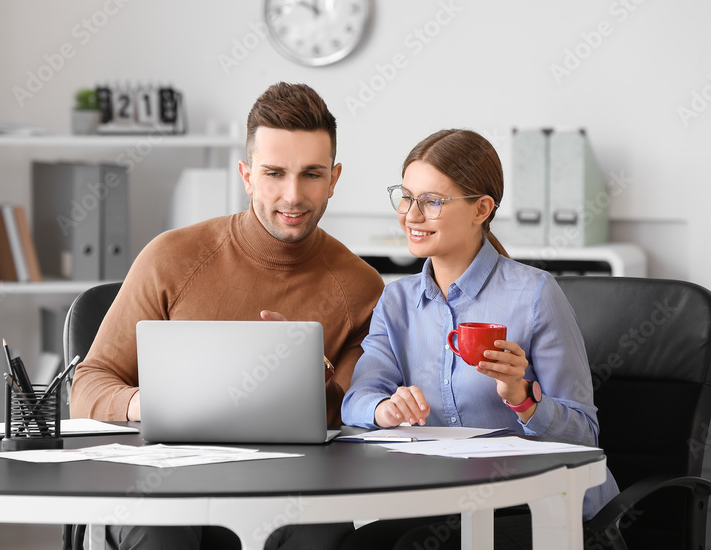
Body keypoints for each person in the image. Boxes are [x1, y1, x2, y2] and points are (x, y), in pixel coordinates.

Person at [71, 82, 384, 550]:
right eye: (274, 172)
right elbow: (88, 385)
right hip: (168, 490)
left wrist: (306, 368)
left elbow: (354, 417)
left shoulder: (361, 287)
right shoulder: (170, 258)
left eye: (312, 175)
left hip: (297, 495)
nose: (293, 195)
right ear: (246, 175)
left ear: (334, 179)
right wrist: (147, 403)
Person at [339, 129, 619, 550]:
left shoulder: (535, 295)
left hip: (543, 507)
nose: (411, 215)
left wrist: (522, 398)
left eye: (432, 201)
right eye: (406, 196)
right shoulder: (396, 300)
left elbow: (584, 437)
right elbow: (356, 401)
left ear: (481, 209)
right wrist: (383, 408)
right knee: (357, 544)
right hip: (445, 505)